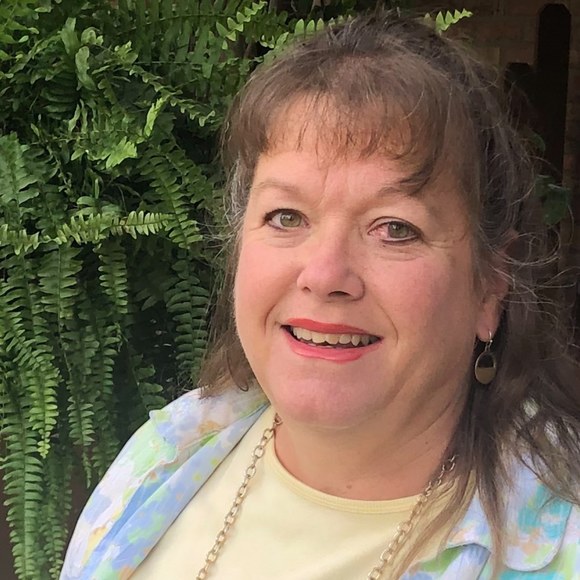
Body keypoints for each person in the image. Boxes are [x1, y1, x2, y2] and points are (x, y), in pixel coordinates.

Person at [61, 10, 580, 580]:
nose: (325, 273)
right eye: (287, 216)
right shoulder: (165, 457)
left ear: (491, 284)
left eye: (395, 228)